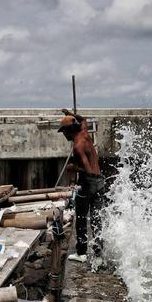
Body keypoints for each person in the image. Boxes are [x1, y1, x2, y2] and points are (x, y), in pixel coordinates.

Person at [58, 109, 105, 264]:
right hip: (100, 181)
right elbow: (83, 118)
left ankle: (82, 253)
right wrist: (70, 113)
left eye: (63, 131)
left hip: (88, 182)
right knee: (97, 218)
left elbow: (87, 170)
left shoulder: (78, 146)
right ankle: (99, 253)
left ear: (68, 131)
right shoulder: (85, 133)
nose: (63, 135)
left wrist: (73, 168)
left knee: (82, 217)